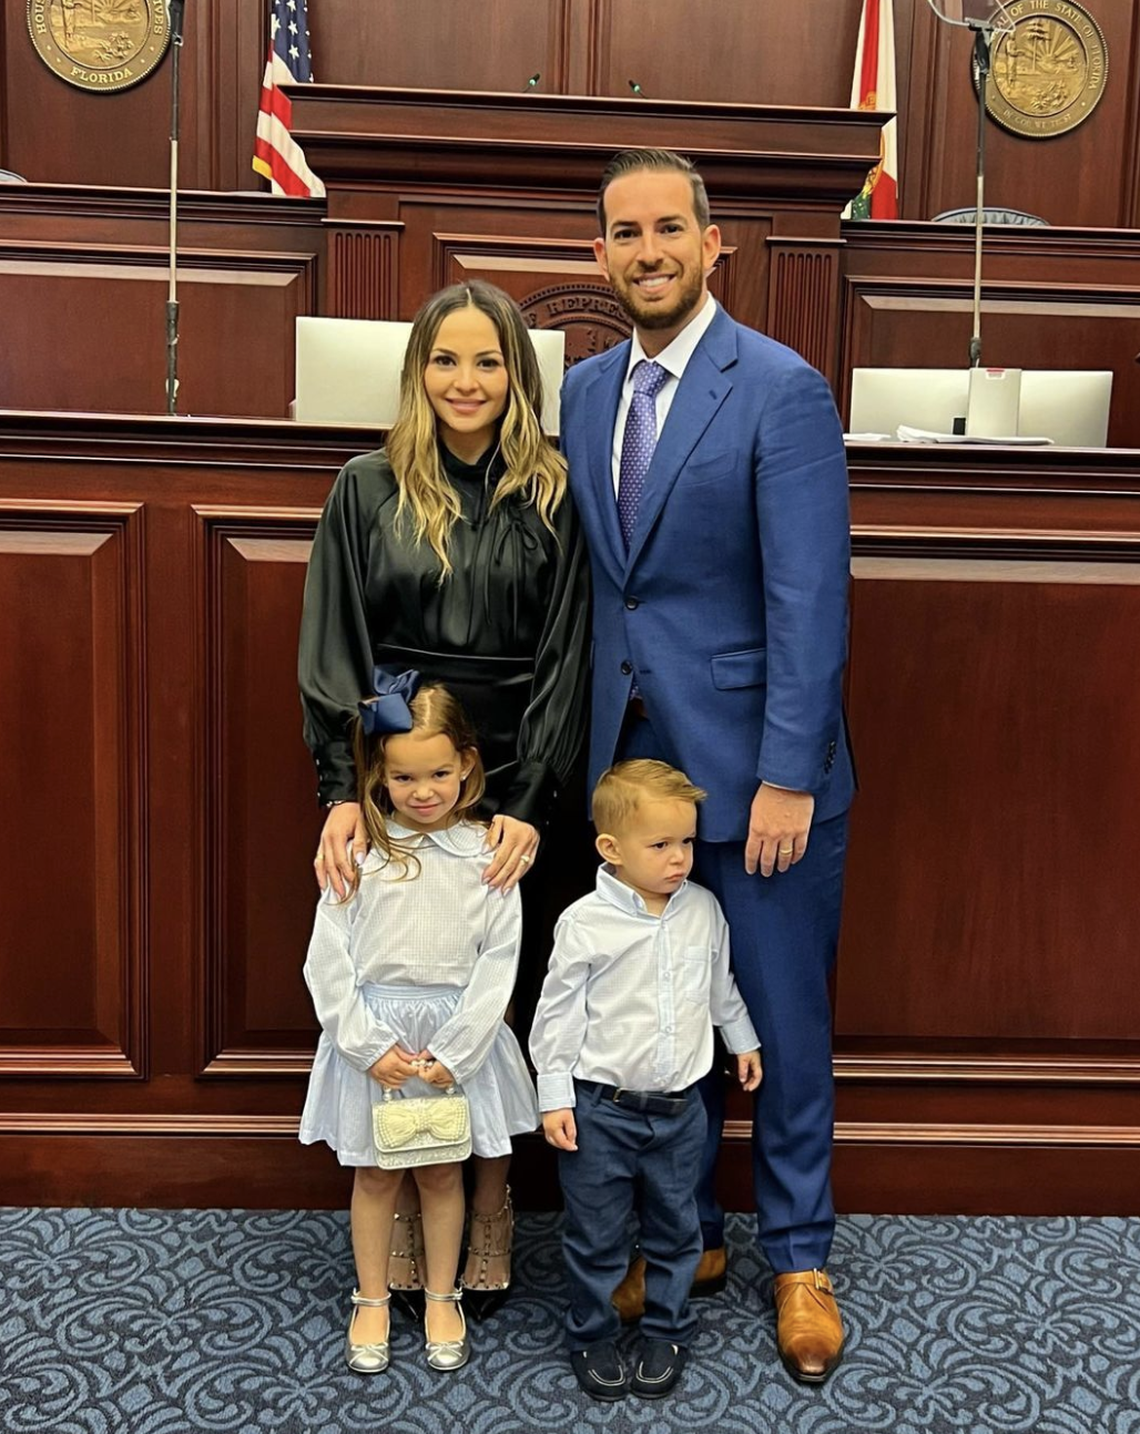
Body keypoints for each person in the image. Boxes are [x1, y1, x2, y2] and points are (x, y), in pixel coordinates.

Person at [558, 148, 855, 1384]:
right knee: (655, 1022)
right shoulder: (579, 391)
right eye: (624, 233)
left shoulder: (780, 389)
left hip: (758, 774)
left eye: (668, 228)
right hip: (628, 772)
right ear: (600, 256)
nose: (648, 251)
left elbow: (810, 596)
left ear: (712, 241)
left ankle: (798, 1256)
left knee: (778, 1024)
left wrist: (788, 771)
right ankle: (701, 1237)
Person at [298, 279, 590, 1314]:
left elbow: (567, 657)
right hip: (401, 766)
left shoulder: (556, 488)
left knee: (500, 998)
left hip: (516, 775)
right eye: (445, 360)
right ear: (417, 371)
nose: (466, 381)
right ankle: (412, 1190)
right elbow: (344, 644)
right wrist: (353, 791)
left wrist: (530, 800)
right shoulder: (366, 487)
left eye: (489, 361)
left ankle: (493, 1198)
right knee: (396, 977)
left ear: (520, 377)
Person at [298, 677, 539, 1374]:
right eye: (403, 776)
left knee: (441, 1171)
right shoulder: (362, 855)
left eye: (438, 772)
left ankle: (441, 1293)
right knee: (375, 1175)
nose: (423, 790)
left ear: (467, 763)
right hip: (375, 1038)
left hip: (453, 1038)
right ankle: (371, 1297)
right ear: (378, 773)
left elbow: (501, 965)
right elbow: (326, 962)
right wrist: (368, 1047)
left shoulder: (489, 856)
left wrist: (458, 1052)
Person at [530, 759, 761, 1402]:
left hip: (682, 1110)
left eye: (686, 841)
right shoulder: (584, 923)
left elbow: (721, 989)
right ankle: (592, 1332)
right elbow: (556, 1017)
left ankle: (669, 1326)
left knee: (675, 1227)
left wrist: (741, 1041)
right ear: (611, 848)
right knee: (596, 1234)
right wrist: (554, 1096)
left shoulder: (703, 910)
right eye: (660, 845)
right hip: (599, 1109)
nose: (679, 858)